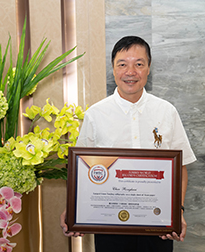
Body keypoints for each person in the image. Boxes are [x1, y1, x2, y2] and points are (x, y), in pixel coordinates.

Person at [60, 36, 196, 252]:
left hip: (158, 224)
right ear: (113, 69)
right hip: (109, 225)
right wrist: (74, 209)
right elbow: (81, 170)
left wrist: (177, 211)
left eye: (139, 64)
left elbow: (181, 168)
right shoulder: (96, 114)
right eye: (122, 64)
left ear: (148, 68)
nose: (130, 72)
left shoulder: (166, 112)